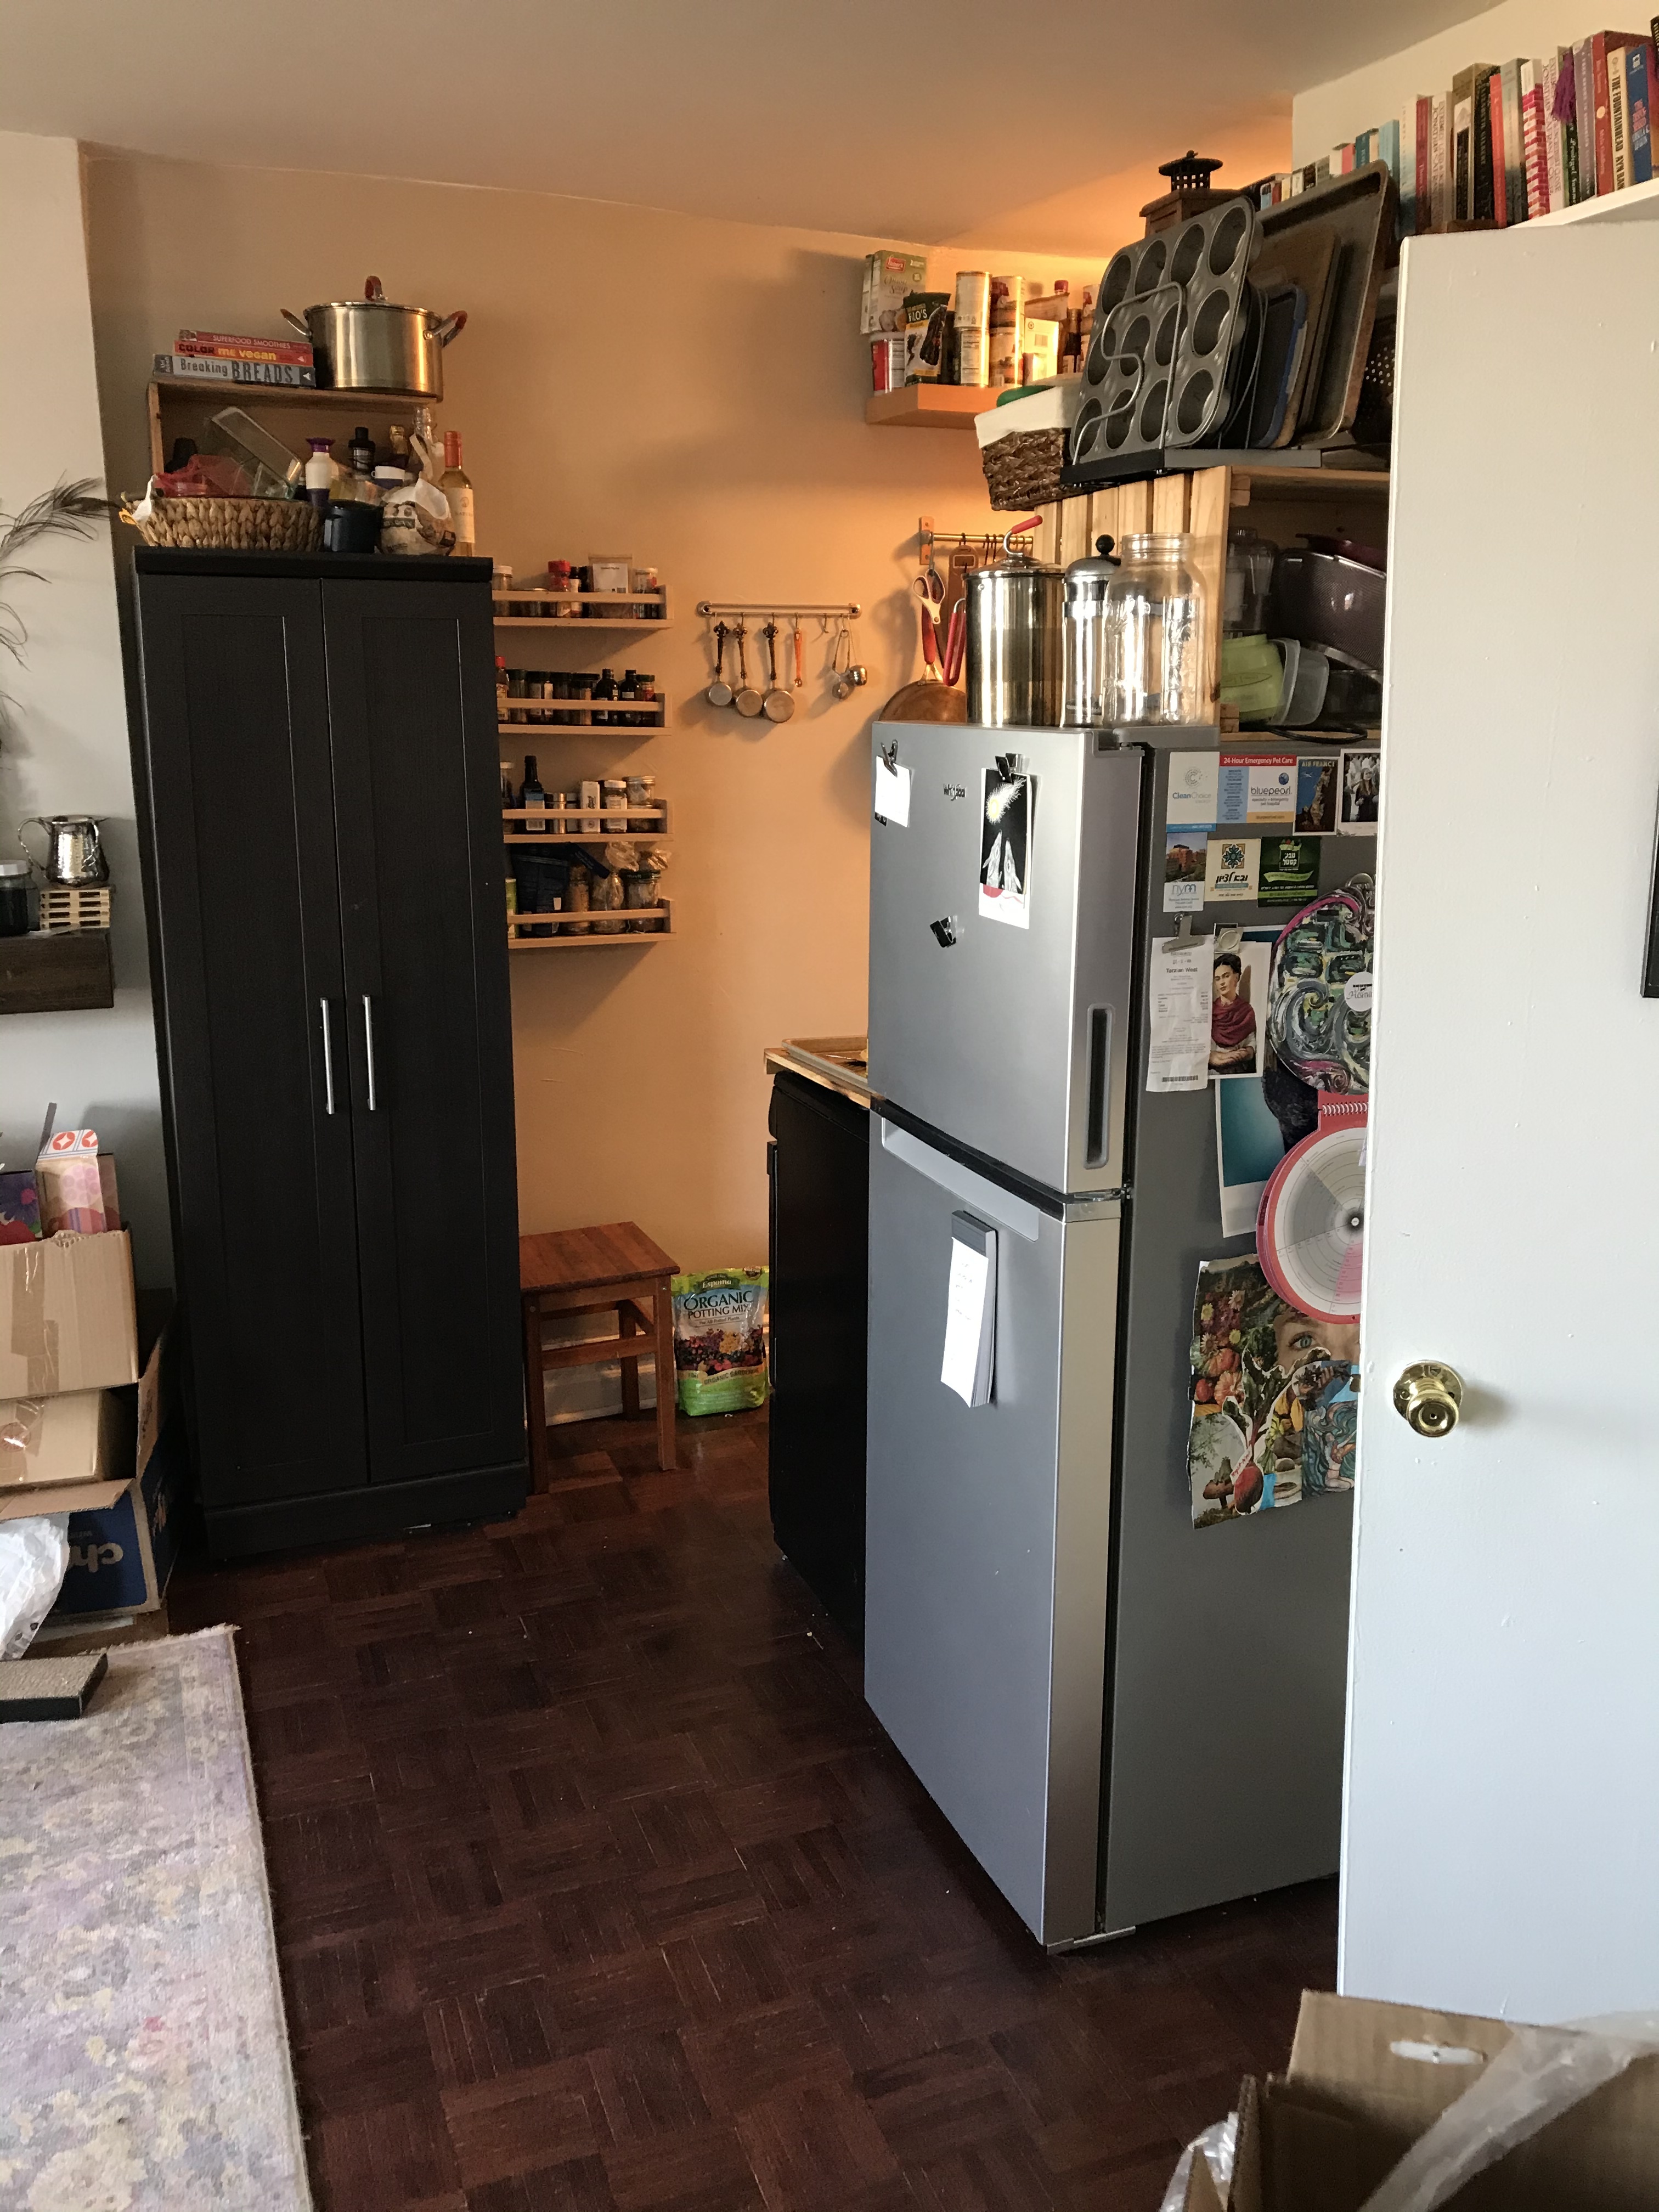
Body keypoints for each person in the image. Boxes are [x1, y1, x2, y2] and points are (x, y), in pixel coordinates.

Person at [1209, 951, 1257, 1071]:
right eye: (1218, 979)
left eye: (1226, 976)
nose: (1222, 982)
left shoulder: (1246, 1011)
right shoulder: (1210, 1011)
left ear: (1236, 978)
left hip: (1239, 1068)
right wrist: (1218, 1057)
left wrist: (1248, 1052)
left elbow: (1251, 1042)